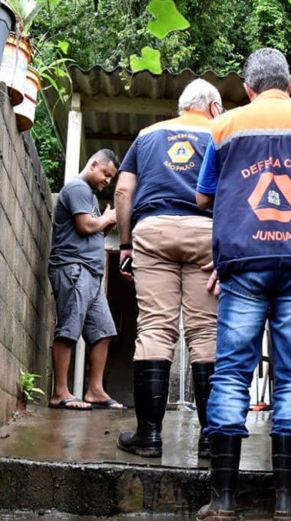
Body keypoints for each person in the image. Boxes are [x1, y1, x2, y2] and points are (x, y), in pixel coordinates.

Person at [193, 48, 291, 521]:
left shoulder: (224, 127)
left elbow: (202, 196)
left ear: (247, 89)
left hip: (244, 260)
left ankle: (222, 504)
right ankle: (288, 506)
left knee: (230, 374)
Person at [114, 79, 224, 458]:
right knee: (205, 331)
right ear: (213, 107)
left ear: (182, 106)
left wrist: (125, 244)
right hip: (207, 233)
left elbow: (123, 191)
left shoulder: (147, 135)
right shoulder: (220, 133)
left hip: (153, 230)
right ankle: (212, 438)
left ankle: (149, 437)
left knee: (154, 328)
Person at [47, 149, 126, 411]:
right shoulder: (77, 188)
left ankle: (95, 391)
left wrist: (107, 222)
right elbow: (86, 226)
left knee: (104, 331)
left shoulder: (89, 195)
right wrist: (107, 217)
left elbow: (94, 233)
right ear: (93, 164)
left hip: (91, 273)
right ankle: (60, 392)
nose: (108, 181)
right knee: (69, 329)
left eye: (111, 177)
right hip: (73, 268)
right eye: (106, 174)